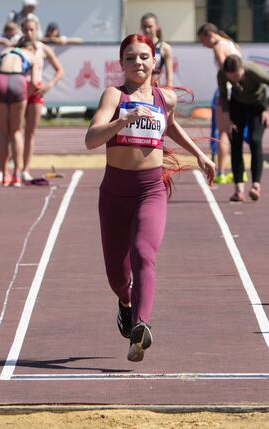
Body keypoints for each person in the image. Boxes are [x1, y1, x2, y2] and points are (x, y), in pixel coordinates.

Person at [85, 34, 215, 362]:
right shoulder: (114, 95)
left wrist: (200, 154)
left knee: (144, 253)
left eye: (144, 57)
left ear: (155, 61)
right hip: (114, 193)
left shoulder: (164, 98)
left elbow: (169, 127)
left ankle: (141, 327)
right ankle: (126, 306)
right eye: (131, 58)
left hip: (149, 189)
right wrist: (121, 120)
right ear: (122, 64)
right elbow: (90, 139)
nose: (138, 63)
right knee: (117, 275)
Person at [217, 54, 269, 202]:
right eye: (231, 78)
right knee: (235, 141)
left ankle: (256, 186)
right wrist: (227, 117)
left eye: (237, 75)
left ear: (242, 69)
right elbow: (224, 95)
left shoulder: (253, 71)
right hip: (237, 104)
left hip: (257, 104)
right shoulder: (222, 74)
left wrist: (267, 109)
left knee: (255, 140)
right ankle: (239, 189)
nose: (235, 79)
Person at [197, 23, 243, 185]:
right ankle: (240, 172)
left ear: (209, 34)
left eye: (203, 41)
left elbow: (227, 70)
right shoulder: (230, 43)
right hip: (239, 91)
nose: (204, 45)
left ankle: (222, 172)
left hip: (227, 91)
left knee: (223, 131)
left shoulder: (218, 47)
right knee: (235, 132)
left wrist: (222, 94)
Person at [20, 17, 64, 183]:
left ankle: (25, 169)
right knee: (15, 131)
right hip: (20, 91)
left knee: (30, 133)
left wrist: (48, 85)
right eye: (25, 30)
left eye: (32, 30)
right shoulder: (17, 48)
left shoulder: (42, 49)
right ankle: (10, 169)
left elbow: (59, 70)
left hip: (36, 91)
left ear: (36, 30)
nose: (28, 33)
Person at [0, 38, 39, 187]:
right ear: (30, 48)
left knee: (2, 132)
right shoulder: (31, 55)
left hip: (0, 79)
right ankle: (17, 175)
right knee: (17, 131)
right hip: (18, 80)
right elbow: (34, 83)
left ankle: (4, 173)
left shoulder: (4, 52)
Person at [140, 13, 173, 87]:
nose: (147, 30)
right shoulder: (138, 46)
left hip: (155, 88)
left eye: (150, 26)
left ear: (157, 26)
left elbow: (169, 75)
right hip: (139, 89)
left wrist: (169, 90)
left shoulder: (165, 47)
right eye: (144, 27)